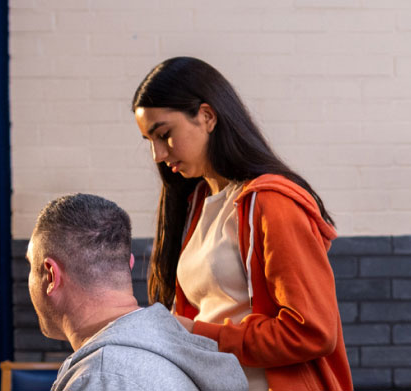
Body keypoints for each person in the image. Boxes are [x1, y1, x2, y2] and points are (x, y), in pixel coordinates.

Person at [133, 57, 352, 390]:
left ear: (206, 116)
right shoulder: (197, 204)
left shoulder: (272, 202)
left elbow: (312, 332)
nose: (158, 155)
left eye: (164, 135)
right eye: (150, 142)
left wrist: (197, 334)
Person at [27, 193, 248, 391]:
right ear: (129, 264)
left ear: (51, 276)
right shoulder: (169, 351)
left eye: (30, 267)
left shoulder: (102, 377)